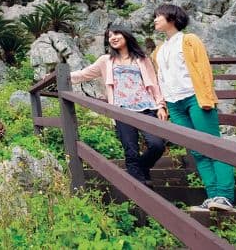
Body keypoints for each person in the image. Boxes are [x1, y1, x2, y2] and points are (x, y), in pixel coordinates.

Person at [152, 4, 236, 212]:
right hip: (175, 104)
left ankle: (225, 196)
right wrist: (162, 104)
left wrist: (207, 97)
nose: (154, 20)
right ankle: (212, 197)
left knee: (213, 146)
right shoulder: (159, 50)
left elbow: (204, 69)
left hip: (195, 98)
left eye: (158, 16)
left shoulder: (189, 40)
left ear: (171, 18)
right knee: (197, 151)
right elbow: (160, 79)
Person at [70, 25, 168, 186]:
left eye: (116, 34)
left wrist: (161, 105)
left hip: (147, 108)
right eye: (110, 36)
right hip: (122, 111)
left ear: (126, 35)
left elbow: (154, 83)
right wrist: (58, 76)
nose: (113, 38)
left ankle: (142, 167)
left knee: (157, 145)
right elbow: (83, 74)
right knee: (131, 150)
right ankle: (139, 188)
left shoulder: (142, 59)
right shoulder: (106, 61)